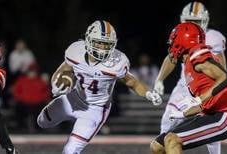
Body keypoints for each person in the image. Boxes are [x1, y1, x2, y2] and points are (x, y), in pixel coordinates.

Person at [37, 20, 162, 154]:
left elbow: (133, 82)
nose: (102, 48)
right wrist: (56, 82)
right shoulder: (75, 51)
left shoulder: (117, 62)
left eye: (106, 44)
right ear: (89, 40)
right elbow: (64, 68)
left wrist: (148, 93)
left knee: (70, 150)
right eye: (99, 43)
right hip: (72, 98)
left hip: (95, 110)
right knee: (42, 121)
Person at [150, 22, 227, 154]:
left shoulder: (197, 56)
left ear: (182, 41)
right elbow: (204, 104)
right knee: (157, 145)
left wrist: (200, 99)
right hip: (208, 113)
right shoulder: (189, 64)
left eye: (174, 41)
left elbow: (225, 77)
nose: (171, 46)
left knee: (172, 140)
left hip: (222, 115)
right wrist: (183, 114)